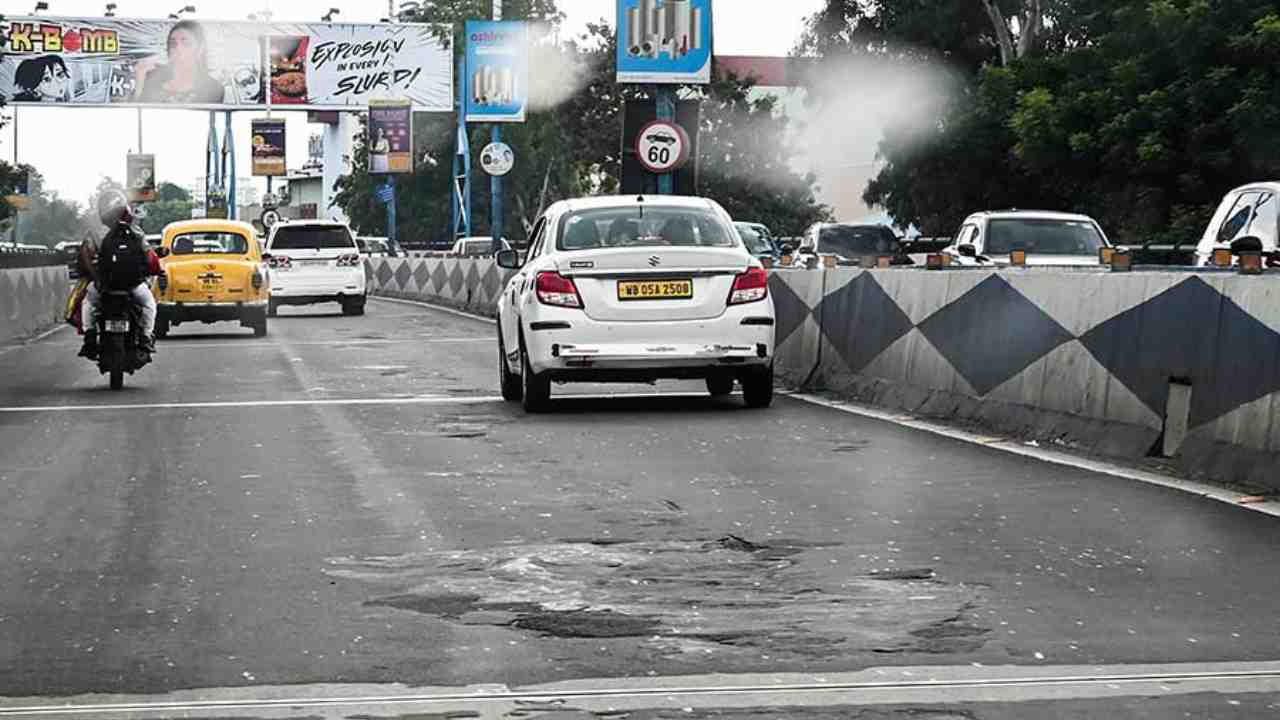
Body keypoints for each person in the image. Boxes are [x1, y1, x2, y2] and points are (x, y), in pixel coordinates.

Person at [79, 191, 161, 359]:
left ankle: (90, 337)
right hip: (133, 285)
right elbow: (149, 257)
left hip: (105, 286)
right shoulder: (136, 232)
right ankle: (146, 337)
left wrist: (97, 279)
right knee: (149, 305)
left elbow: (86, 257)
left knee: (88, 303)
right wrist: (153, 269)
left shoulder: (95, 234)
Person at [133, 20, 225, 104]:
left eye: (186, 43)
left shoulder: (213, 89)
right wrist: (139, 83)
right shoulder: (151, 77)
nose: (178, 48)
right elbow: (135, 113)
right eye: (173, 43)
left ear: (200, 49)